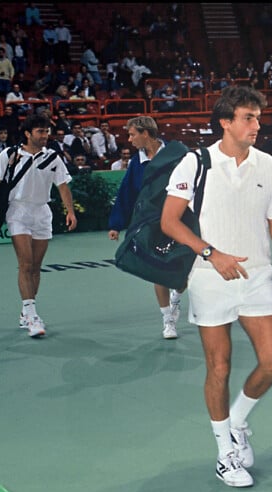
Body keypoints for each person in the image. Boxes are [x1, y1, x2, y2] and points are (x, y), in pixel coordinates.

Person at [161, 85, 272, 488]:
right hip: (210, 278)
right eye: (248, 117)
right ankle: (225, 452)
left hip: (257, 277)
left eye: (258, 117)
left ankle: (237, 420)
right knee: (219, 367)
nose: (257, 125)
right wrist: (211, 254)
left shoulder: (267, 165)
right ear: (226, 122)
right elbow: (169, 221)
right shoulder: (195, 163)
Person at [0, 114, 77, 337]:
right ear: (28, 133)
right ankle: (32, 314)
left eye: (46, 131)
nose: (45, 135)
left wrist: (70, 211)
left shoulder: (53, 157)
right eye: (40, 132)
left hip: (43, 212)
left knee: (35, 266)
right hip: (18, 211)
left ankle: (26, 312)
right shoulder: (9, 154)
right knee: (25, 264)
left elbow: (63, 186)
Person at [107, 116, 183, 340]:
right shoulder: (136, 163)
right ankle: (167, 319)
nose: (129, 140)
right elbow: (127, 193)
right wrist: (116, 224)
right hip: (151, 221)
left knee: (186, 269)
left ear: (146, 134)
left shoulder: (178, 154)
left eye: (132, 135)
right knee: (157, 268)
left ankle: (176, 298)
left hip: (180, 219)